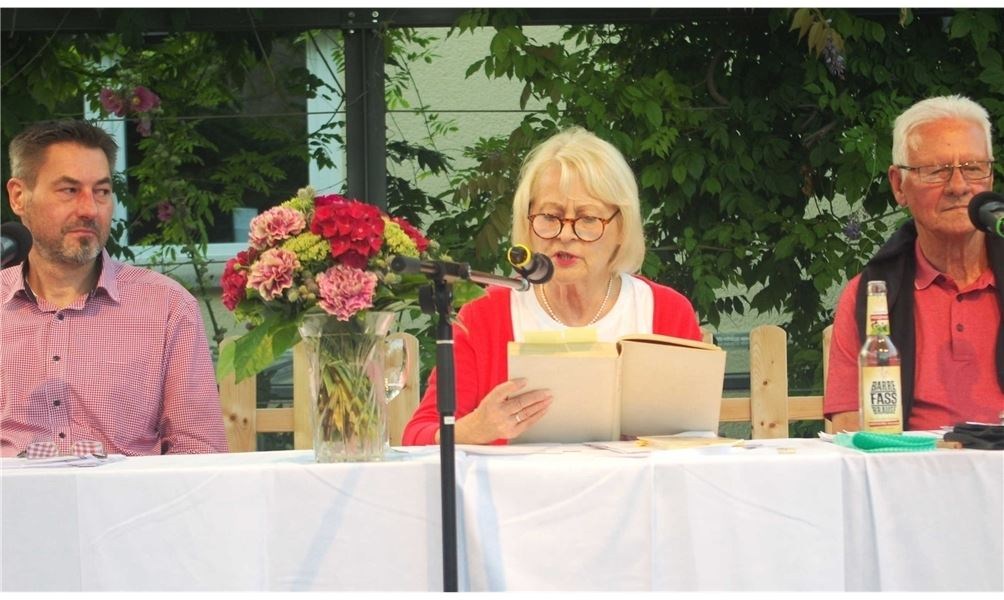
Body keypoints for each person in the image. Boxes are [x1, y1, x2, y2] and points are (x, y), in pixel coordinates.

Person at [403, 127, 702, 445]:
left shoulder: (667, 312)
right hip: (514, 495)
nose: (565, 234)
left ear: (621, 228)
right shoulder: (485, 314)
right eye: (550, 216)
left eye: (588, 219)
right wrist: (475, 429)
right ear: (526, 222)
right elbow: (417, 438)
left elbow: (699, 442)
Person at [1, 120, 228, 456]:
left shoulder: (165, 306)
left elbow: (198, 450)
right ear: (19, 197)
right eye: (69, 190)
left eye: (102, 192)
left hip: (130, 506)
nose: (90, 209)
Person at [825, 95, 1003, 431]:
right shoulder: (873, 296)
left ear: (990, 179)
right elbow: (849, 432)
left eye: (973, 168)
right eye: (936, 171)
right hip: (906, 476)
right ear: (898, 185)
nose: (958, 187)